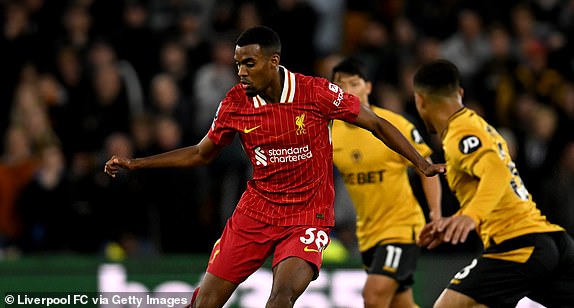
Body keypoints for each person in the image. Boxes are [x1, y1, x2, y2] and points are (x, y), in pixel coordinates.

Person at [104, 26, 445, 308]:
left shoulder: (315, 92)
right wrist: (137, 163)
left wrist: (421, 163)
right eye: (238, 64)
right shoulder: (235, 103)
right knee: (204, 303)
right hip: (256, 212)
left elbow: (377, 124)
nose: (241, 71)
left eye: (249, 63)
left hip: (307, 215)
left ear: (273, 61)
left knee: (281, 298)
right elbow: (200, 153)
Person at [413, 59, 574, 308]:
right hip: (548, 241)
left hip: (518, 244)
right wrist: (457, 218)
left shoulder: (461, 131)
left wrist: (470, 216)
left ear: (420, 100)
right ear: (460, 93)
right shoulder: (479, 126)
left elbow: (496, 173)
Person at [331, 57, 442, 308]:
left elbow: (427, 168)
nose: (348, 91)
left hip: (401, 227)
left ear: (368, 87)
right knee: (400, 303)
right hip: (368, 233)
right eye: (341, 85)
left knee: (374, 296)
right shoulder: (331, 132)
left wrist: (436, 214)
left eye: (354, 83)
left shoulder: (392, 126)